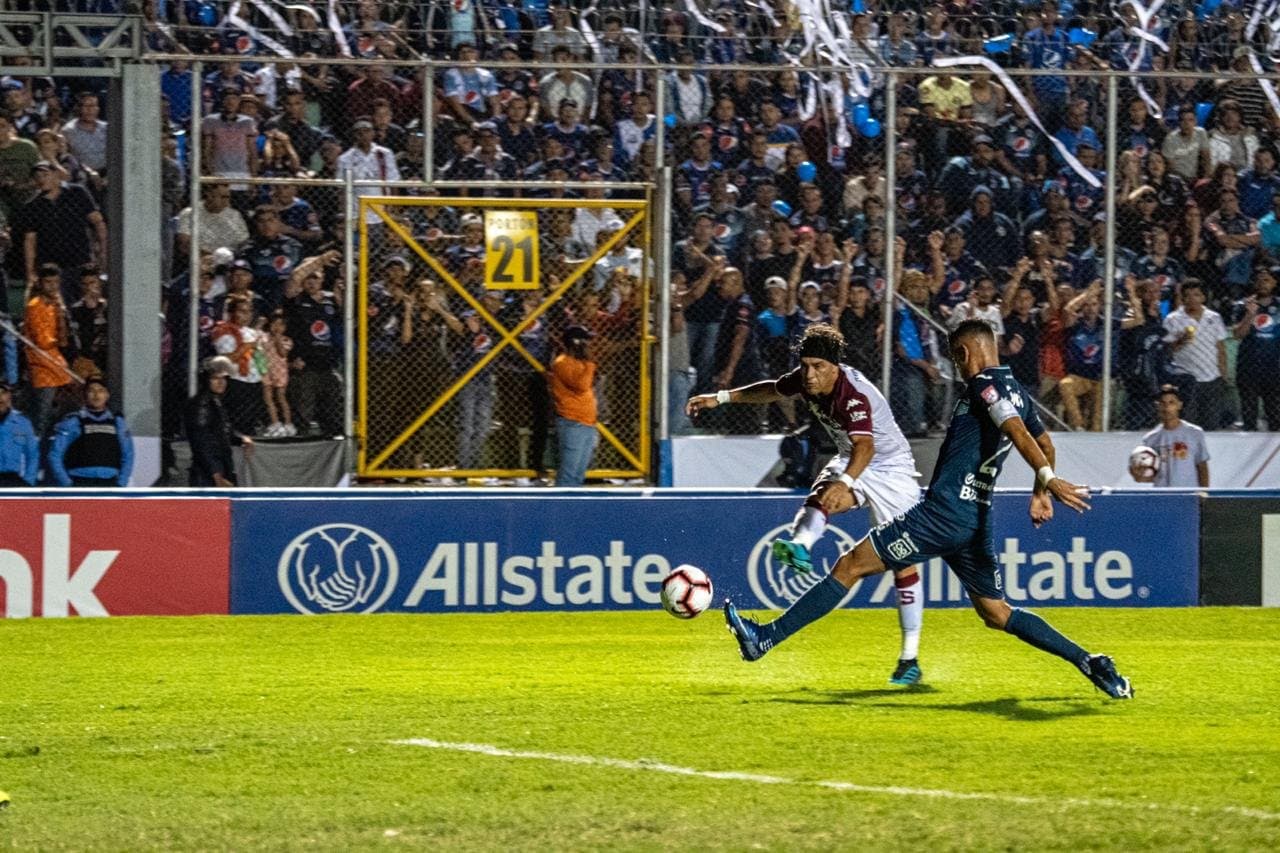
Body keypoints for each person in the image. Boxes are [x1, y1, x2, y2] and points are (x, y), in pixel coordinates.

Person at [723, 320, 1133, 700]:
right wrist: (1040, 492)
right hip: (976, 518)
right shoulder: (1018, 391)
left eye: (956, 357)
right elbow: (1044, 441)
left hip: (942, 515)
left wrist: (1047, 479)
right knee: (996, 612)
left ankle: (765, 638)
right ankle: (1090, 661)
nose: (957, 366)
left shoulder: (984, 387)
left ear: (966, 353)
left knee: (849, 566)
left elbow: (1015, 431)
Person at [687, 324, 927, 685]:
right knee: (822, 494)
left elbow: (866, 447)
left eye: (818, 367)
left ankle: (909, 658)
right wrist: (720, 398)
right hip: (852, 458)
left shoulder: (852, 395)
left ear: (835, 366)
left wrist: (847, 482)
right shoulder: (806, 379)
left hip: (891, 470)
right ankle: (800, 545)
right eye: (805, 366)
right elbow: (772, 389)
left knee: (902, 564)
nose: (810, 374)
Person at [47, 377, 134, 487]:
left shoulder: (117, 423)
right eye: (91, 391)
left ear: (107, 395)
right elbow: (55, 454)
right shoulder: (73, 422)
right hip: (79, 482)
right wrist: (67, 483)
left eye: (101, 391)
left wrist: (121, 483)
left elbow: (128, 455)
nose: (96, 395)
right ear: (84, 395)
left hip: (109, 483)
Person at [185, 356, 252, 487]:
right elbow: (201, 442)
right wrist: (216, 474)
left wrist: (241, 439)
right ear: (206, 380)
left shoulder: (214, 401)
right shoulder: (201, 404)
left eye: (224, 378)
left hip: (220, 468)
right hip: (209, 475)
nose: (221, 382)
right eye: (215, 378)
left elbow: (221, 430)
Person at [1132, 385, 1210, 488]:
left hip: (1188, 493)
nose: (1167, 407)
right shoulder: (1150, 438)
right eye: (1162, 403)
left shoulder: (1194, 433)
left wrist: (1204, 492)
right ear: (1157, 406)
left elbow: (1202, 466)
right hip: (1162, 494)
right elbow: (1151, 474)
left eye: (1171, 402)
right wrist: (1138, 474)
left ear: (1179, 405)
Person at [549, 324, 598, 487]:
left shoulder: (580, 363)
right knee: (568, 474)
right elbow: (581, 385)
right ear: (576, 343)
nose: (589, 345)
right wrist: (590, 364)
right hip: (572, 422)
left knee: (578, 475)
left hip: (587, 423)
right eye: (586, 341)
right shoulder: (562, 362)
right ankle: (561, 502)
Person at [0, 381, 39, 486]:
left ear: (9, 396)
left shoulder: (22, 423)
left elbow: (32, 455)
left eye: (3, 392)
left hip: (13, 479)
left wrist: (28, 481)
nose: (0, 397)